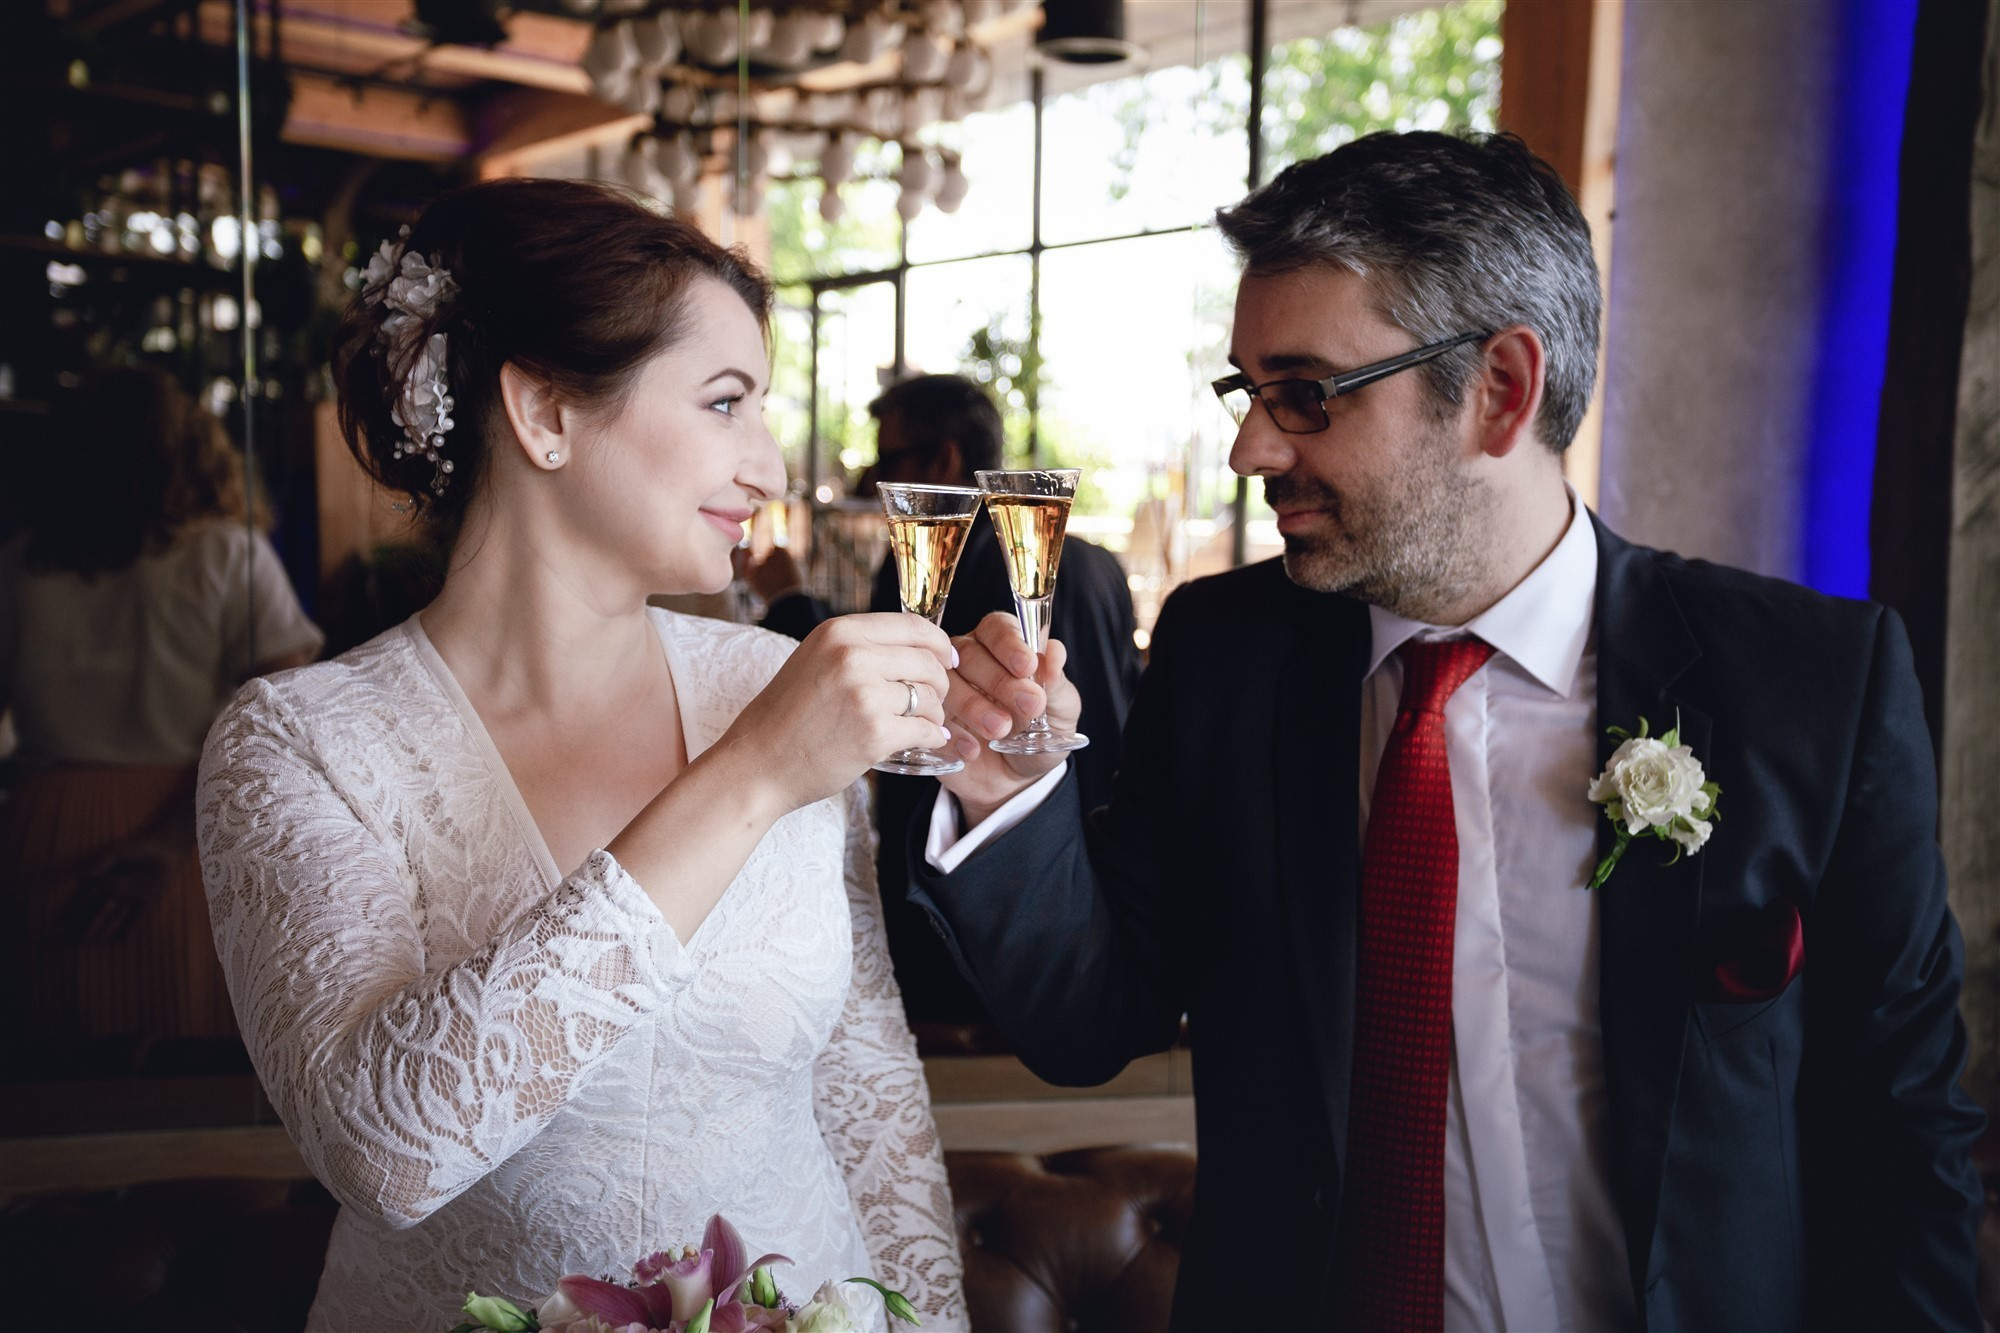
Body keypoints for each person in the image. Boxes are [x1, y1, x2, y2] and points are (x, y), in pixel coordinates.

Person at [912, 131, 1985, 1332]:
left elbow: (1901, 1126)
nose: (1250, 449)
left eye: (1305, 394)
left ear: (1499, 391)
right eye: (1246, 393)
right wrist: (1007, 792)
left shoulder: (1804, 686)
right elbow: (1084, 1021)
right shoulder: (1226, 658)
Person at [196, 179, 965, 1332]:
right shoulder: (296, 745)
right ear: (543, 412)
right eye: (723, 403)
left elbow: (863, 1081)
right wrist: (749, 777)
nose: (766, 467)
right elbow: (386, 1148)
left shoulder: (769, 681)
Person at [747, 373, 1140, 1025]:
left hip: (973, 926)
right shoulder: (1098, 562)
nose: (874, 483)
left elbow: (876, 690)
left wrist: (789, 602)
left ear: (944, 459)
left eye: (889, 461)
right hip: (1085, 880)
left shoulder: (971, 574)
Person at [0, 366, 322, 1068]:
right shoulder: (227, 554)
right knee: (195, 1094)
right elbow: (288, 718)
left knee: (55, 1111)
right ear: (191, 446)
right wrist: (176, 840)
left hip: (47, 827)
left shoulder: (19, 565)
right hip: (188, 828)